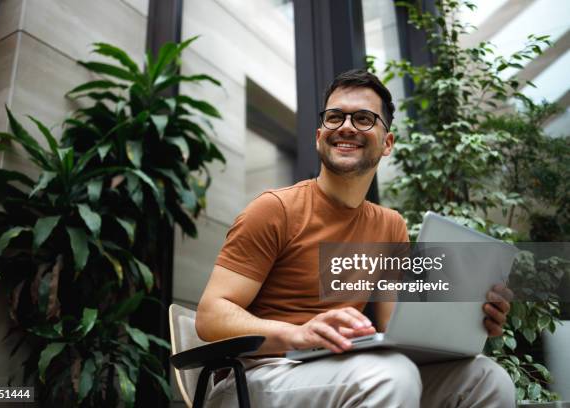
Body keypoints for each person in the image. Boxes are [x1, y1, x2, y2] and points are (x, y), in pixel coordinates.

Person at [196, 69, 515, 407]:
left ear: (388, 143)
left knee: (487, 379)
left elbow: (395, 331)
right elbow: (210, 315)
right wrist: (298, 334)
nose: (346, 127)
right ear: (320, 136)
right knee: (388, 375)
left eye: (364, 118)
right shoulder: (275, 209)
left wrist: (468, 322)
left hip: (344, 370)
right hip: (257, 376)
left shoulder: (391, 226)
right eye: (335, 117)